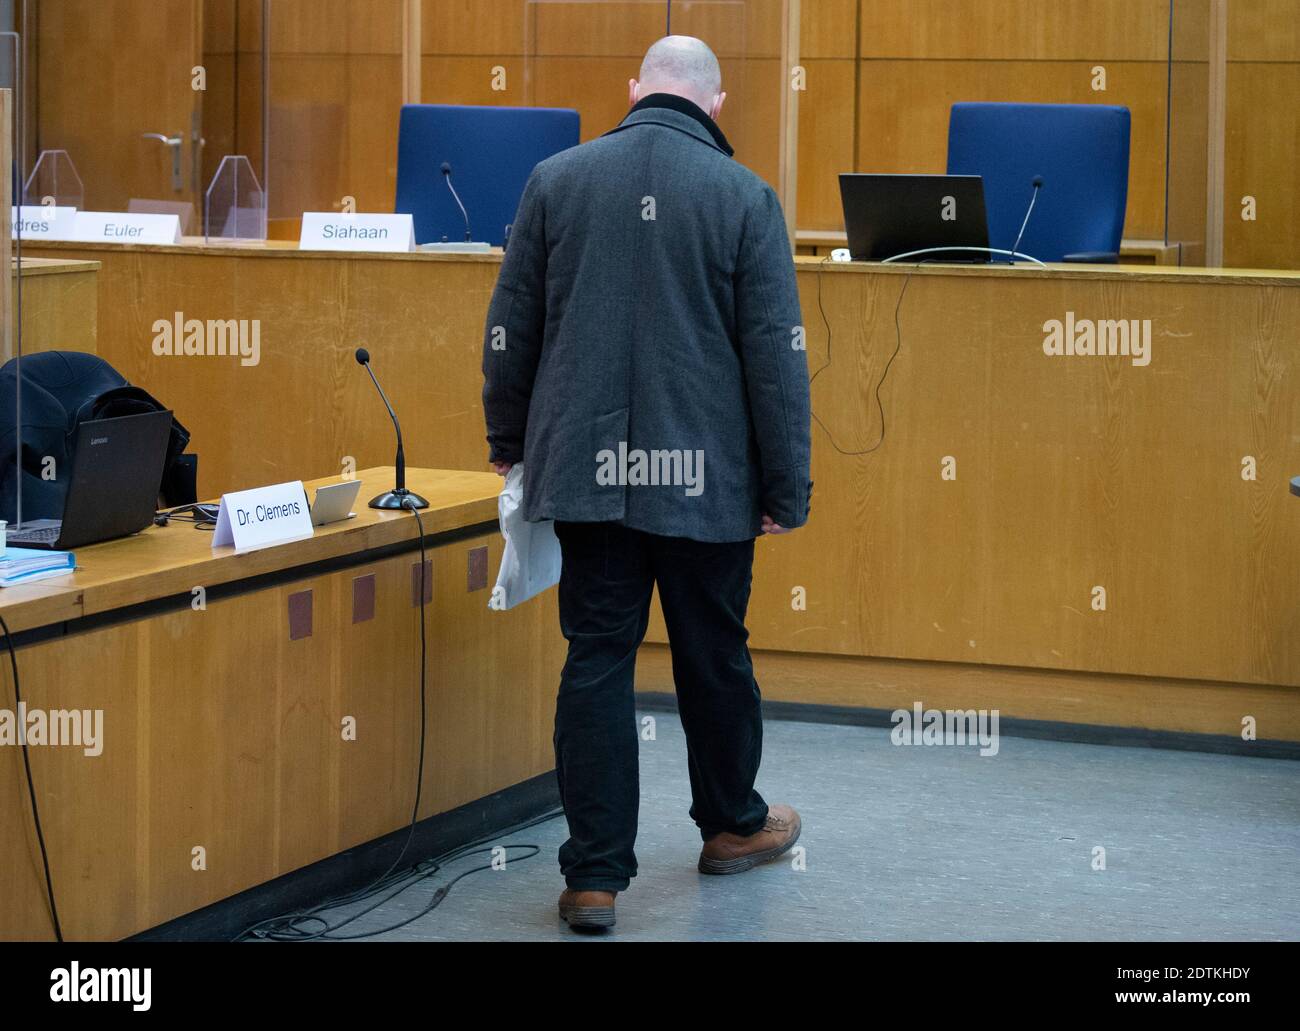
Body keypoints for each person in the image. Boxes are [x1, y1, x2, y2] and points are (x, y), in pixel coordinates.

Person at [481, 34, 811, 931]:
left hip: (587, 472)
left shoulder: (556, 179)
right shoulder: (746, 197)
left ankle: (593, 876)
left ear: (635, 90)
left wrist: (507, 439)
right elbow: (776, 363)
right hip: (707, 481)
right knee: (714, 652)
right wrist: (787, 485)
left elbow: (511, 325)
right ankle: (734, 827)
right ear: (717, 102)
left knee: (596, 659)